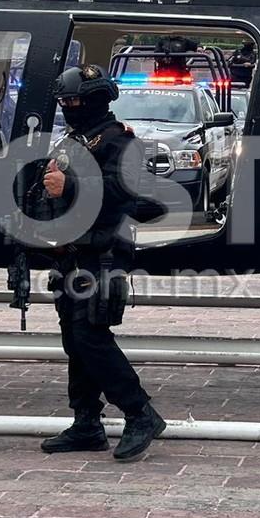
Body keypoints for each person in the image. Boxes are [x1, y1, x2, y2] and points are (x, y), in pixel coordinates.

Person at [34, 64, 165, 461]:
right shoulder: (73, 141)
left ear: (95, 100)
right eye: (64, 101)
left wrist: (69, 185)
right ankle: (86, 422)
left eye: (74, 100)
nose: (69, 107)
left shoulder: (119, 142)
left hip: (103, 252)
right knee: (75, 340)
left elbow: (123, 195)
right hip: (72, 252)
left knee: (91, 335)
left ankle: (140, 412)